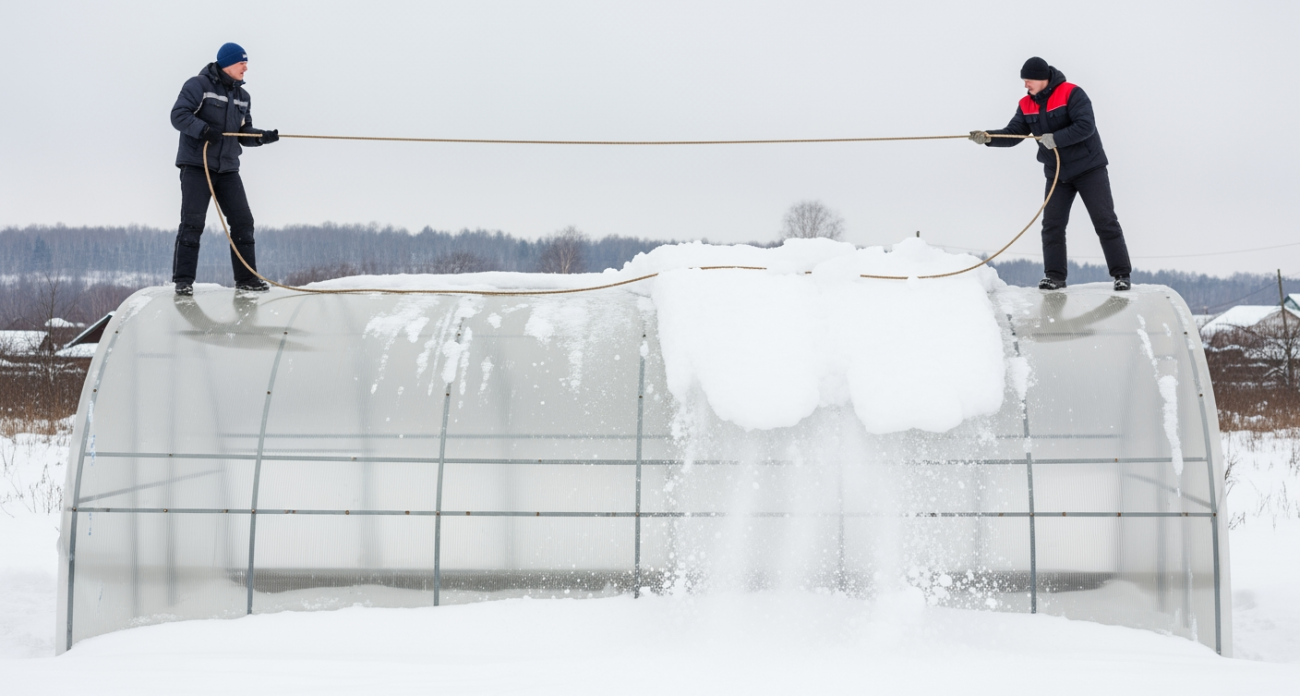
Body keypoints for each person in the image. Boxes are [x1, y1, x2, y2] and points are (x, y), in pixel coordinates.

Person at [970, 57, 1132, 291]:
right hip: (1058, 174)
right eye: (1024, 81)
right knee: (1052, 225)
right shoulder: (1026, 104)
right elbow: (1014, 133)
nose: (1026, 85)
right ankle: (1054, 277)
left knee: (1104, 221)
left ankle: (1121, 275)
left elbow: (1085, 126)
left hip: (1089, 169)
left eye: (1029, 80)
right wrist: (988, 138)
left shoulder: (1072, 93)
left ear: (1043, 78)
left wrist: (1056, 138)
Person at [169, 42, 279, 295]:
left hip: (228, 168)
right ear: (228, 63)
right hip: (198, 166)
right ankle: (183, 281)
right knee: (193, 223)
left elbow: (242, 133)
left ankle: (247, 280)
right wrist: (204, 131)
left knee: (243, 222)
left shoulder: (243, 97)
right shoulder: (198, 86)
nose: (246, 68)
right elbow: (179, 115)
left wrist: (261, 137)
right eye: (242, 63)